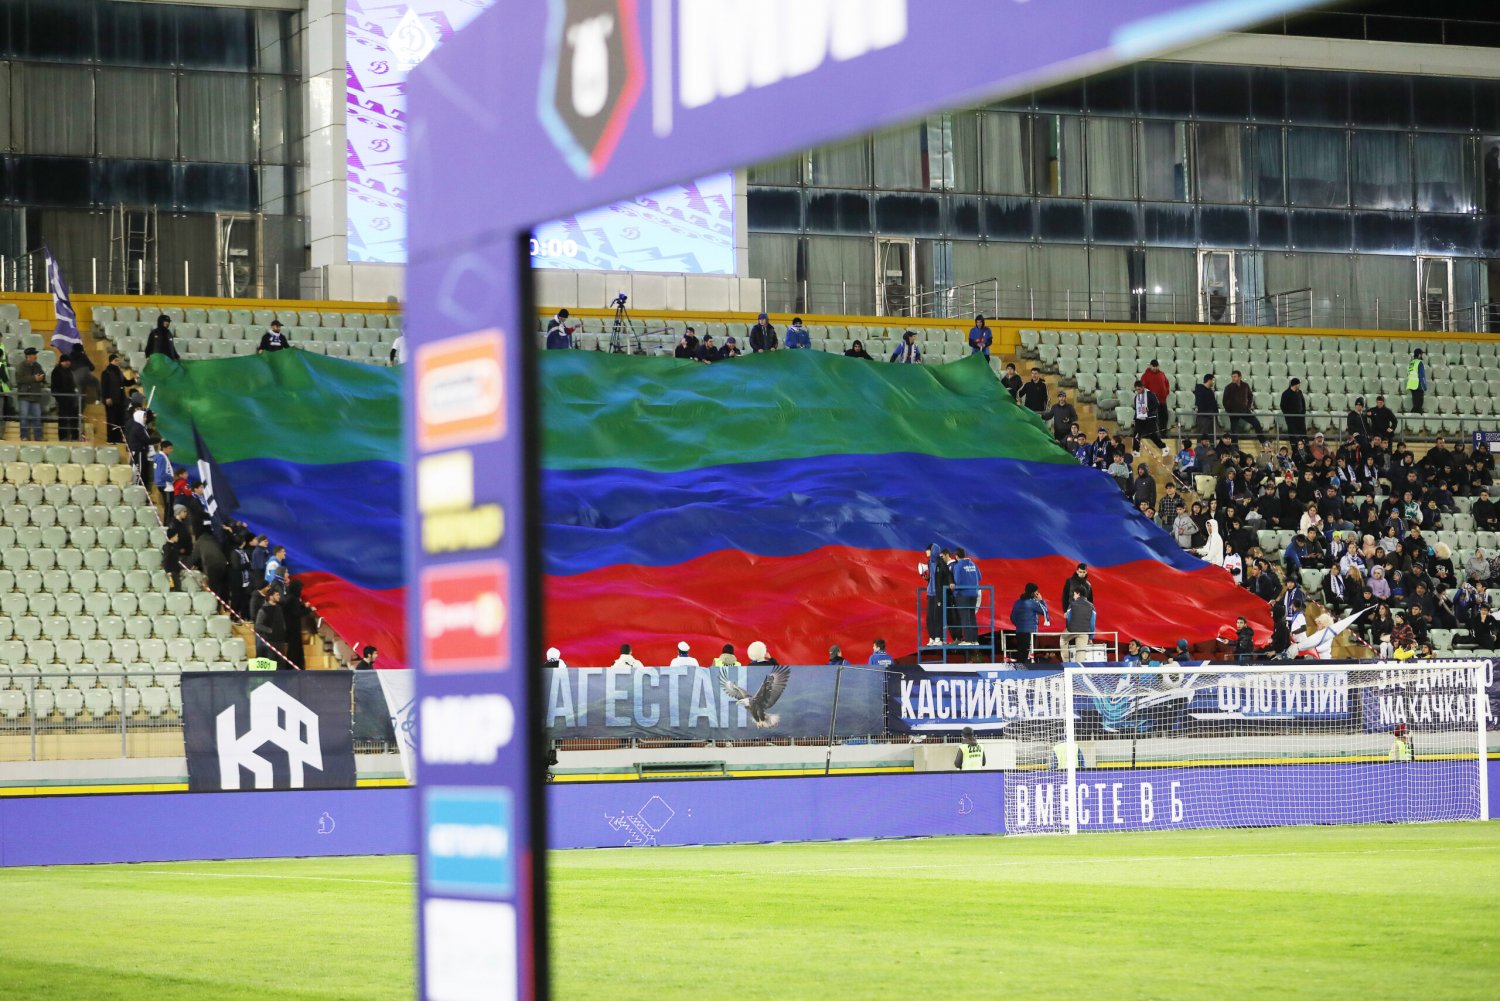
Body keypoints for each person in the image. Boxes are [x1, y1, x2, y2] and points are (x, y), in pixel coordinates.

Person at [1009, 583, 1049, 661]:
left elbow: (1012, 617)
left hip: (1019, 632)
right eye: (1036, 591)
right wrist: (1041, 600)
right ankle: (1026, 668)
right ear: (1033, 592)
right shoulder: (1033, 603)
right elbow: (1044, 611)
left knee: (1021, 653)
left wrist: (1019, 625)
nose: (1038, 593)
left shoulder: (1017, 602)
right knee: (1028, 656)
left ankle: (1020, 667)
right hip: (1030, 633)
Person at [14, 346, 47, 441]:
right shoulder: (21, 366)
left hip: (35, 395)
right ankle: (24, 436)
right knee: (24, 417)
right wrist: (34, 378)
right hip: (24, 396)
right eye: (34, 354)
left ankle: (38, 437)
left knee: (37, 418)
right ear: (28, 356)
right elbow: (19, 379)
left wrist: (42, 378)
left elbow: (43, 376)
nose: (36, 356)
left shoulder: (38, 366)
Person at [950, 547, 981, 644]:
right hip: (974, 594)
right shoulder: (973, 564)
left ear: (956, 556)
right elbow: (979, 577)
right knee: (972, 617)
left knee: (965, 618)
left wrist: (955, 593)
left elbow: (957, 581)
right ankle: (974, 640)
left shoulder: (958, 566)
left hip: (963, 595)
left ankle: (968, 640)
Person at [1222, 370, 1264, 442]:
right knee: (1234, 431)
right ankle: (1235, 447)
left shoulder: (1245, 385)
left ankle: (1263, 441)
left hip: (1245, 410)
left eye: (1235, 377)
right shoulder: (1228, 387)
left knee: (1256, 423)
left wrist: (1248, 406)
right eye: (1232, 377)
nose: (1233, 378)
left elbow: (1250, 396)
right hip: (1233, 412)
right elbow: (1224, 401)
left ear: (1240, 377)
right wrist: (1229, 410)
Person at [50, 351, 80, 441]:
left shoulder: (69, 371)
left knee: (74, 418)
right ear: (62, 362)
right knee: (63, 418)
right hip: (62, 399)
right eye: (66, 361)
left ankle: (75, 436)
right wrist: (59, 397)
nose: (68, 363)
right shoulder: (56, 371)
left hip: (71, 398)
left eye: (69, 361)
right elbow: (54, 387)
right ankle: (63, 437)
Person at [253, 588, 288, 664]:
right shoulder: (263, 610)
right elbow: (258, 625)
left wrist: (283, 629)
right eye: (277, 595)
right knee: (271, 664)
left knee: (281, 664)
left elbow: (282, 622)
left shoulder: (279, 608)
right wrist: (270, 630)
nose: (279, 596)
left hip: (280, 640)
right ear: (271, 597)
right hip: (270, 642)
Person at [99, 352, 128, 443]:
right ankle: (111, 439)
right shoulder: (106, 372)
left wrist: (135, 379)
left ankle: (119, 438)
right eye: (116, 360)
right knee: (112, 420)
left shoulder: (119, 372)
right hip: (111, 401)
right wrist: (106, 398)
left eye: (118, 360)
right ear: (111, 361)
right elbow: (104, 386)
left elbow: (126, 383)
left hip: (121, 401)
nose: (118, 362)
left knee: (120, 420)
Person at [1130, 379, 1165, 452]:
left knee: (1152, 435)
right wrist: (1134, 418)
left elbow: (1156, 404)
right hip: (1139, 419)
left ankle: (1164, 447)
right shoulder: (1136, 397)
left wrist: (1148, 409)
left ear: (1143, 387)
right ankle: (1136, 451)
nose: (1138, 391)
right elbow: (1136, 409)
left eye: (1139, 389)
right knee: (1136, 435)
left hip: (1150, 418)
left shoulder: (1150, 394)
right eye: (1136, 390)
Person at [1141, 359, 1171, 438]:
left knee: (1164, 417)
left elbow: (1167, 384)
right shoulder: (1146, 375)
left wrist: (1165, 393)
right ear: (1150, 366)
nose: (1154, 368)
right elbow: (1143, 388)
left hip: (1162, 400)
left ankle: (1163, 434)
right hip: (1151, 402)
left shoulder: (1162, 374)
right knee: (1150, 418)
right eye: (1153, 366)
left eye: (1156, 366)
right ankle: (1149, 435)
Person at [1280, 378, 1307, 447]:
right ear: (1296, 384)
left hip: (1300, 418)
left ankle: (1305, 449)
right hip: (1291, 419)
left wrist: (1303, 413)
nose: (1300, 385)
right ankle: (1294, 449)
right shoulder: (1286, 393)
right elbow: (1283, 406)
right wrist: (1288, 416)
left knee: (1303, 434)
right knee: (1293, 435)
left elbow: (1303, 403)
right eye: (1299, 384)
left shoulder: (1299, 392)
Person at [1193, 374, 1219, 439]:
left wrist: (1216, 413)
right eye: (1213, 380)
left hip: (1211, 416)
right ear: (1209, 380)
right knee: (1202, 436)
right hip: (1203, 416)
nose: (1213, 382)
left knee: (1211, 436)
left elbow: (1213, 403)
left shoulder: (1211, 391)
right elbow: (1200, 403)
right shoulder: (1200, 389)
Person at [1406, 348, 1427, 414]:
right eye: (1422, 354)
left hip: (1411, 385)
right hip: (1418, 385)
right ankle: (1414, 417)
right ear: (1419, 355)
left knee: (1415, 403)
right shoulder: (1419, 363)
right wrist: (1424, 386)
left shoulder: (1411, 363)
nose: (1422, 355)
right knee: (1418, 405)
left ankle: (1415, 416)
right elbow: (1421, 376)